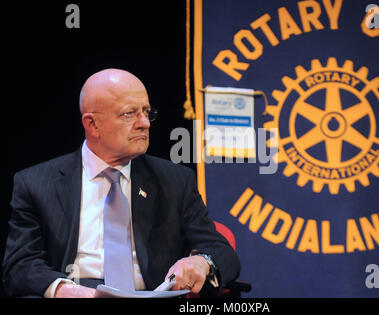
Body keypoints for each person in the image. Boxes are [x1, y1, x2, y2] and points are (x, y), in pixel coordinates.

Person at [2, 68, 241, 298]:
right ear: (92, 124)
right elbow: (20, 265)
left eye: (147, 112)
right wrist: (66, 291)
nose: (144, 123)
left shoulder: (175, 181)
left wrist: (202, 262)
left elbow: (222, 253)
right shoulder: (36, 183)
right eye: (129, 114)